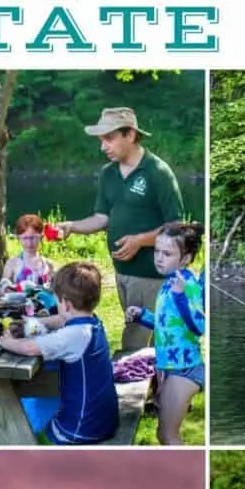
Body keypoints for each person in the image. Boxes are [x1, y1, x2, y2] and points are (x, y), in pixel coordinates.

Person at [56, 107, 184, 350]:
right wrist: (71, 227)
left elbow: (176, 226)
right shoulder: (108, 174)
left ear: (131, 135)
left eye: (109, 138)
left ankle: (142, 384)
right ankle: (157, 382)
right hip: (122, 271)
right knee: (142, 334)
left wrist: (140, 241)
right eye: (101, 140)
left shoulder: (158, 172)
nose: (103, 146)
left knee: (137, 341)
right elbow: (101, 217)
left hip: (151, 274)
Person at [0, 260, 119, 446]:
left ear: (66, 304)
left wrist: (7, 342)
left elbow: (30, 348)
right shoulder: (91, 322)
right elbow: (62, 319)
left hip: (80, 430)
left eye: (56, 299)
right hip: (103, 421)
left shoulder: (73, 335)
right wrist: (33, 324)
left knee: (37, 434)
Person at [125, 221, 205, 445]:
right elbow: (167, 326)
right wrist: (142, 316)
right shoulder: (168, 283)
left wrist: (181, 296)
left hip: (184, 369)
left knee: (168, 435)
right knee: (163, 435)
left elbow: (199, 326)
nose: (159, 258)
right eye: (157, 251)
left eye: (167, 253)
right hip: (168, 367)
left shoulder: (188, 285)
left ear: (186, 258)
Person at [0, 214, 54, 293]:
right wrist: (6, 289)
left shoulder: (48, 265)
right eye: (25, 238)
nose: (29, 243)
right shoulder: (12, 263)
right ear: (18, 238)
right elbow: (1, 293)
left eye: (33, 238)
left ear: (41, 237)